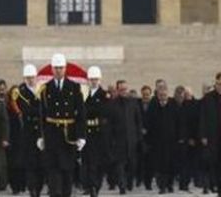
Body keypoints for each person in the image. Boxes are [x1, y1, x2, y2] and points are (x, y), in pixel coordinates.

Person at [37, 53, 86, 197]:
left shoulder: (74, 87)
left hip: (68, 135)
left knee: (67, 172)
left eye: (61, 68)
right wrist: (41, 136)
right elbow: (42, 115)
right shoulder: (45, 88)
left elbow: (81, 114)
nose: (58, 70)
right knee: (53, 173)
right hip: (52, 135)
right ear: (52, 69)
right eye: (56, 68)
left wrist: (82, 136)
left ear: (65, 69)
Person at [145, 81, 182, 194]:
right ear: (157, 94)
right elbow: (148, 122)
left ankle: (170, 185)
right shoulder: (153, 104)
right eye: (160, 94)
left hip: (171, 141)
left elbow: (178, 122)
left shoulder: (173, 103)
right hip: (157, 142)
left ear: (167, 93)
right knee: (160, 166)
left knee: (171, 165)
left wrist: (179, 137)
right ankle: (162, 186)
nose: (162, 96)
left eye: (164, 94)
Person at [82, 66, 113, 197]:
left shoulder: (104, 95)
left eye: (95, 79)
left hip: (99, 134)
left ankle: (95, 185)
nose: (93, 81)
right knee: (88, 162)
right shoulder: (84, 94)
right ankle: (90, 185)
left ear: (99, 80)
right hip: (87, 133)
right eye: (91, 79)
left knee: (97, 163)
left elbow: (102, 111)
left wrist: (89, 111)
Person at [14, 64, 44, 197]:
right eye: (28, 77)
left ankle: (38, 187)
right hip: (28, 131)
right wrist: (38, 111)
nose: (30, 80)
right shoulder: (20, 92)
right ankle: (32, 188)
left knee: (41, 162)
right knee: (30, 163)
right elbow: (25, 110)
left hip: (41, 131)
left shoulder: (42, 90)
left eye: (32, 77)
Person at [111, 79, 143, 194]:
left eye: (125, 89)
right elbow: (110, 123)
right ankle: (122, 186)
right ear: (118, 90)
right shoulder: (113, 103)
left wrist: (139, 136)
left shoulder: (133, 102)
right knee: (120, 164)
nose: (123, 91)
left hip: (132, 139)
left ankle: (129, 182)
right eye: (121, 89)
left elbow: (138, 121)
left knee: (132, 165)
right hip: (118, 140)